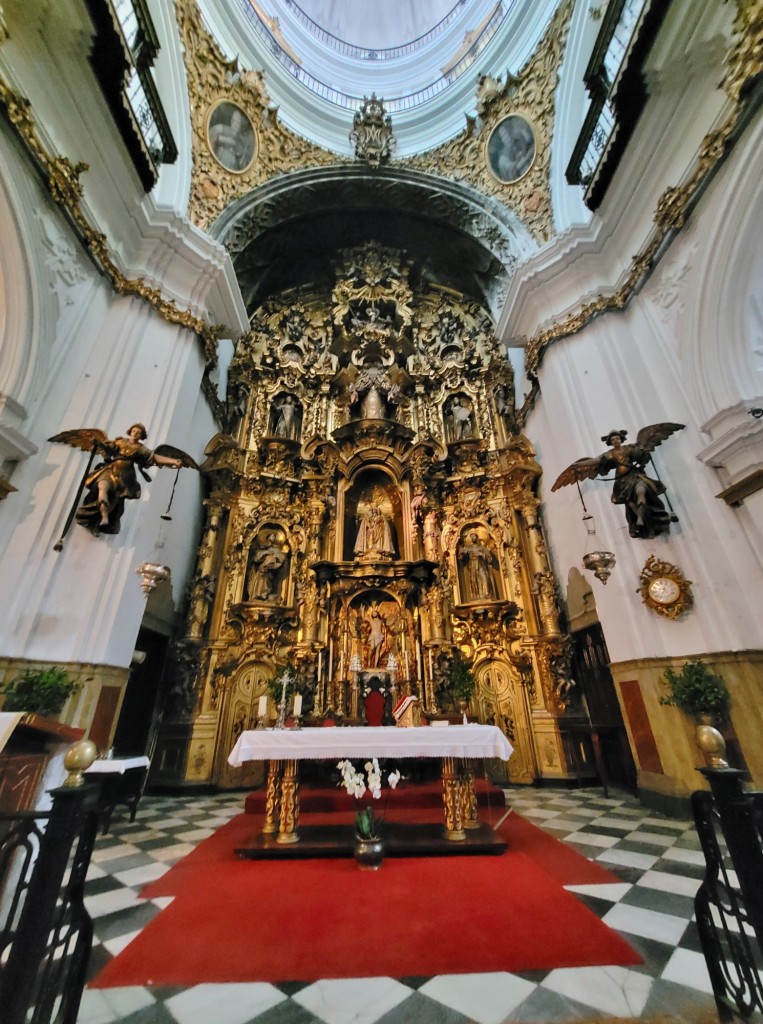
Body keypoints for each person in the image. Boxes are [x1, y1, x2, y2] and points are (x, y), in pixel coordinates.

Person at [551, 423, 684, 539]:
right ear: (610, 442)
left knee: (641, 491)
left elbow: (641, 453)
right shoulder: (609, 454)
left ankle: (641, 517)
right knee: (629, 501)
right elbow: (595, 461)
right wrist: (578, 465)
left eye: (617, 438)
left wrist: (642, 451)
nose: (615, 441)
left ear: (621, 439)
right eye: (613, 439)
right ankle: (639, 518)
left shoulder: (629, 449)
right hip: (622, 481)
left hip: (635, 476)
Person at [75, 424, 182, 535]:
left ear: (141, 436)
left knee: (114, 500)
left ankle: (98, 521)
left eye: (138, 432)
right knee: (102, 488)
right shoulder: (120, 442)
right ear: (130, 431)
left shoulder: (141, 449)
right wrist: (97, 442)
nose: (135, 433)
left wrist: (173, 461)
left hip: (125, 477)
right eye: (134, 430)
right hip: (110, 471)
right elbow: (108, 448)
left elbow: (154, 458)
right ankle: (104, 516)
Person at [247, 532, 288, 602]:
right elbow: (256, 558)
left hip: (269, 571)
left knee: (267, 582)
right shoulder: (262, 548)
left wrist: (273, 559)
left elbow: (281, 557)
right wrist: (265, 554)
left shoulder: (276, 550)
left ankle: (265, 594)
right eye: (271, 537)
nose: (272, 539)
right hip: (260, 570)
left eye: (273, 537)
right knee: (259, 581)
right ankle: (258, 595)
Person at [209, 107, 253, 172]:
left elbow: (241, 166)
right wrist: (224, 140)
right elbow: (212, 137)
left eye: (238, 123)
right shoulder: (220, 130)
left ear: (241, 127)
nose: (234, 125)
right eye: (233, 121)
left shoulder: (241, 145)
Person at [459, 531, 497, 601]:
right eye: (472, 536)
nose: (473, 538)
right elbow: (461, 557)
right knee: (474, 580)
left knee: (484, 578)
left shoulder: (482, 547)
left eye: (474, 536)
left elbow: (490, 558)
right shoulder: (468, 548)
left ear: (477, 538)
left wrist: (482, 555)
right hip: (472, 566)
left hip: (481, 565)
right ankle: (475, 595)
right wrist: (461, 552)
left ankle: (486, 594)